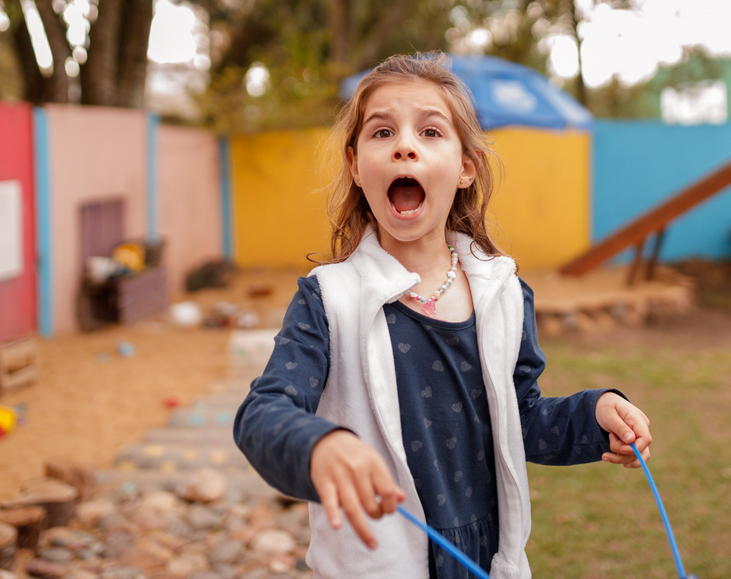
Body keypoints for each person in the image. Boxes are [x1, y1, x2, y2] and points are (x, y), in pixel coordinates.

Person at [234, 53, 653, 579]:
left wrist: (594, 415)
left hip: (486, 557)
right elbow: (262, 412)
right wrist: (319, 446)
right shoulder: (328, 300)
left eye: (430, 132)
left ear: (465, 168)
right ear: (355, 165)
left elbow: (518, 421)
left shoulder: (503, 292)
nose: (405, 144)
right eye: (382, 132)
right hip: (378, 563)